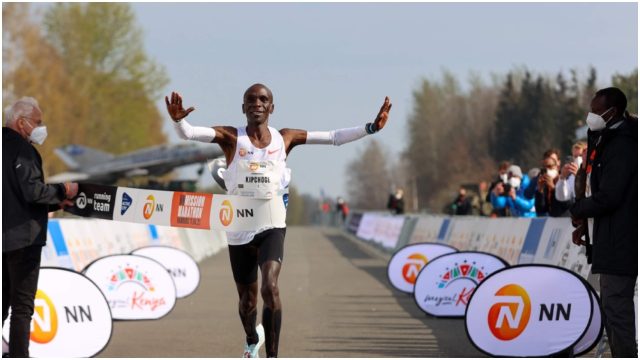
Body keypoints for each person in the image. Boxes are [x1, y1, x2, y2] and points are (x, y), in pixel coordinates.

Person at [165, 85, 391, 358]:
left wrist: (370, 128)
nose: (257, 103)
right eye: (250, 100)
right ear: (243, 107)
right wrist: (178, 120)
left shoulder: (285, 138)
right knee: (247, 303)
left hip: (271, 224)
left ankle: (273, 355)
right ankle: (252, 337)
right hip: (239, 228)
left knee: (270, 288)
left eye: (263, 99)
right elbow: (190, 133)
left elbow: (333, 137)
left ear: (272, 108)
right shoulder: (231, 137)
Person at [3, 97, 78, 357]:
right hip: (23, 241)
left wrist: (55, 203)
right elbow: (32, 192)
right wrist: (62, 190)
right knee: (22, 309)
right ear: (22, 123)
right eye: (38, 122)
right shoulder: (24, 150)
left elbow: (14, 197)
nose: (40, 128)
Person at [570, 87, 637, 357]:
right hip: (609, 235)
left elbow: (609, 196)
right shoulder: (604, 137)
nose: (592, 116)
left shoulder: (622, 143)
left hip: (623, 237)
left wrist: (578, 209)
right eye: (591, 109)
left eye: (598, 111)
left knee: (616, 308)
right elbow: (592, 188)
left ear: (614, 111)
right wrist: (583, 223)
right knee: (612, 308)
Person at [531, 149, 571, 217]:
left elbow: (567, 205)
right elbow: (541, 210)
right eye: (545, 167)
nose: (547, 170)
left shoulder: (567, 178)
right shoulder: (546, 182)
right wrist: (540, 190)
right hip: (552, 222)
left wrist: (553, 188)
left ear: (557, 165)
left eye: (550, 166)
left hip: (566, 221)